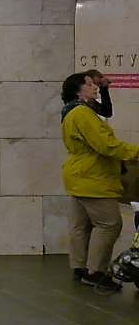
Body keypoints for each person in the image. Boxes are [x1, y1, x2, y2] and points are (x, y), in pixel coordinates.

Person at [60, 72, 139, 292]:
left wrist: (104, 89)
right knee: (109, 224)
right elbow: (107, 145)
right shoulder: (83, 114)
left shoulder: (74, 110)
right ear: (78, 90)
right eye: (89, 85)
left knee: (80, 225)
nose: (94, 87)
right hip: (92, 177)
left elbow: (106, 111)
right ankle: (95, 272)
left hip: (78, 174)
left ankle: (79, 267)